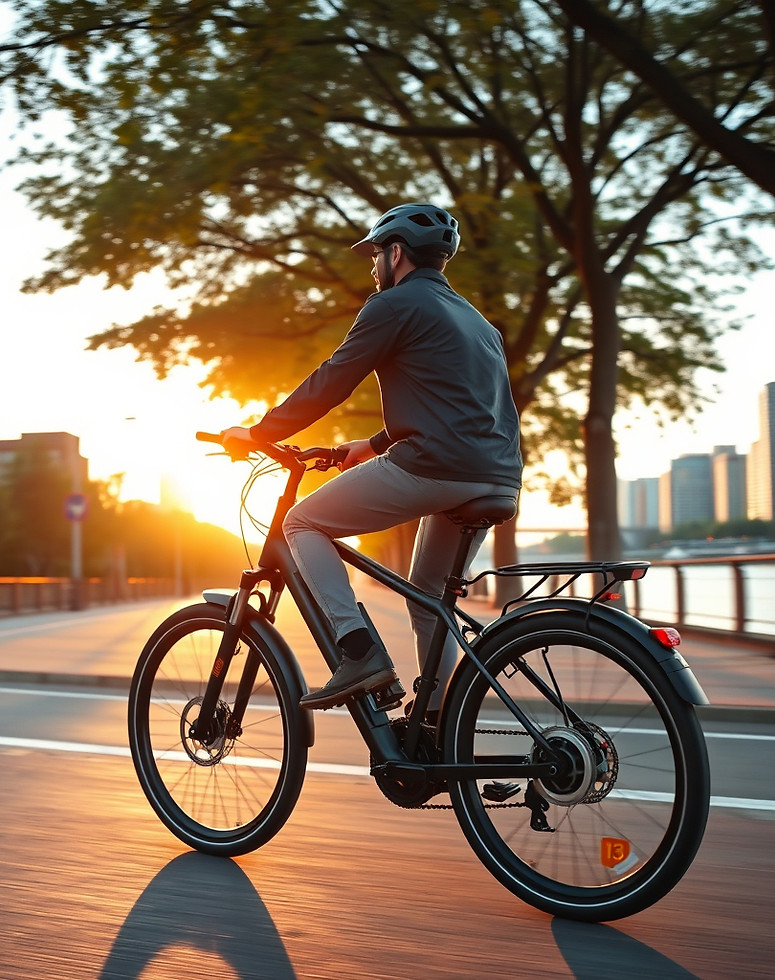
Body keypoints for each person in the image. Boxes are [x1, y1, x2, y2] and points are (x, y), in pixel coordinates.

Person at [221, 203, 522, 716]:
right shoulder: (476, 321)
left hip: (435, 467)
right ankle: (436, 724)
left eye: (376, 254)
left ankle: (358, 651)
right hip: (496, 474)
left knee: (302, 523)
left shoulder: (394, 305)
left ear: (396, 253)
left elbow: (332, 380)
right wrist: (373, 446)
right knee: (428, 594)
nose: (373, 266)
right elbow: (458, 404)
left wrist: (258, 431)